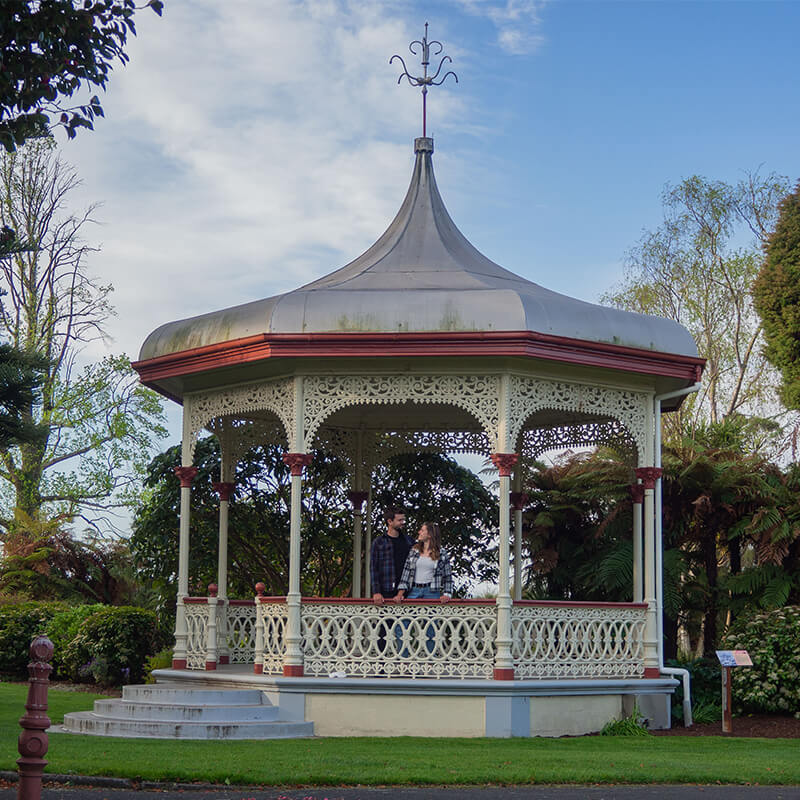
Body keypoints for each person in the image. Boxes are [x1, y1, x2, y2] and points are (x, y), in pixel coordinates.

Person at [393, 521, 453, 604]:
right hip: (414, 590)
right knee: (408, 616)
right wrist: (400, 594)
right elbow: (405, 575)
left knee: (432, 616)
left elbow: (447, 576)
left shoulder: (441, 553)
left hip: (432, 592)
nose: (419, 532)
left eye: (422, 530)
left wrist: (447, 594)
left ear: (429, 534)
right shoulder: (414, 551)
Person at [370, 506, 414, 606]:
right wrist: (376, 592)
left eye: (404, 519)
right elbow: (374, 568)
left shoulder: (409, 541)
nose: (403, 522)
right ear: (390, 521)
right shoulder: (379, 542)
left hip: (407, 592)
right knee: (386, 621)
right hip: (386, 591)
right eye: (400, 520)